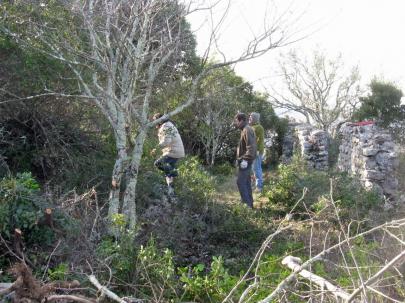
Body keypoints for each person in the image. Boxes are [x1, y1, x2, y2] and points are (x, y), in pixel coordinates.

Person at [152, 113, 185, 195]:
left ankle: (174, 173)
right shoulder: (169, 125)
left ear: (160, 120)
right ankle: (171, 191)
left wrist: (156, 148)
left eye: (155, 121)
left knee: (158, 163)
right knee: (168, 172)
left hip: (173, 152)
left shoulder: (166, 126)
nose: (154, 123)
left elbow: (167, 141)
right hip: (175, 151)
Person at [233, 113, 257, 208]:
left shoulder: (247, 130)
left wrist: (245, 160)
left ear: (241, 120)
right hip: (244, 160)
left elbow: (252, 148)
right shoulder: (245, 129)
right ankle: (249, 204)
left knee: (241, 182)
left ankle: (246, 206)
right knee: (246, 182)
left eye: (236, 121)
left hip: (246, 161)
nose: (236, 124)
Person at [249, 112, 265, 193]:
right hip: (251, 151)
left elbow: (260, 140)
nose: (249, 118)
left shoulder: (259, 127)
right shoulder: (251, 127)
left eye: (251, 117)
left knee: (257, 168)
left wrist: (258, 150)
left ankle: (259, 187)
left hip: (257, 152)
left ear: (255, 118)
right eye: (249, 117)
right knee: (253, 169)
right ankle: (255, 185)